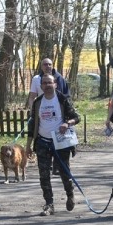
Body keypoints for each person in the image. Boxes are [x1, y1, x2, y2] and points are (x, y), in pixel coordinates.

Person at [25, 74, 81, 216]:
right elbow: (32, 125)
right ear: (41, 86)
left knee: (64, 173)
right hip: (43, 142)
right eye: (44, 83)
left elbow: (77, 117)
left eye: (50, 82)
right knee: (44, 175)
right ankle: (49, 204)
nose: (47, 85)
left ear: (55, 84)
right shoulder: (38, 102)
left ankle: (70, 193)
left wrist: (67, 123)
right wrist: (28, 145)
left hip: (61, 142)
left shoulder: (62, 99)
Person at [26, 57, 70, 175]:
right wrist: (33, 110)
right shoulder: (36, 79)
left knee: (57, 138)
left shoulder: (59, 78)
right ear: (41, 66)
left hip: (56, 114)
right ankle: (47, 164)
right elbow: (32, 97)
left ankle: (57, 165)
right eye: (45, 64)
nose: (48, 66)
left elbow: (65, 97)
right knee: (42, 137)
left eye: (50, 64)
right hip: (41, 112)